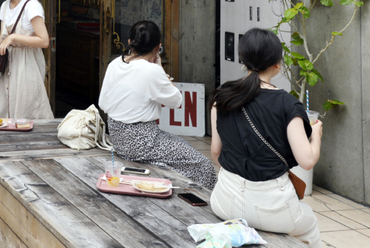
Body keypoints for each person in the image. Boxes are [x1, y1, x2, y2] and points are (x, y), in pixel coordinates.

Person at [209, 28, 322, 247]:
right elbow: (307, 161)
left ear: (243, 60)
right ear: (277, 64)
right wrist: (315, 135)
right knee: (309, 224)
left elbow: (216, 151)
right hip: (273, 210)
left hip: (223, 201)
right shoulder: (287, 104)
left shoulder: (222, 96)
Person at [99, 20, 218, 190]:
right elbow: (177, 101)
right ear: (158, 47)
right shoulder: (152, 71)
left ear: (130, 42)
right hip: (143, 141)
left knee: (179, 146)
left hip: (117, 137)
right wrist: (160, 68)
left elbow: (103, 103)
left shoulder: (114, 64)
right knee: (202, 164)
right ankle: (207, 202)